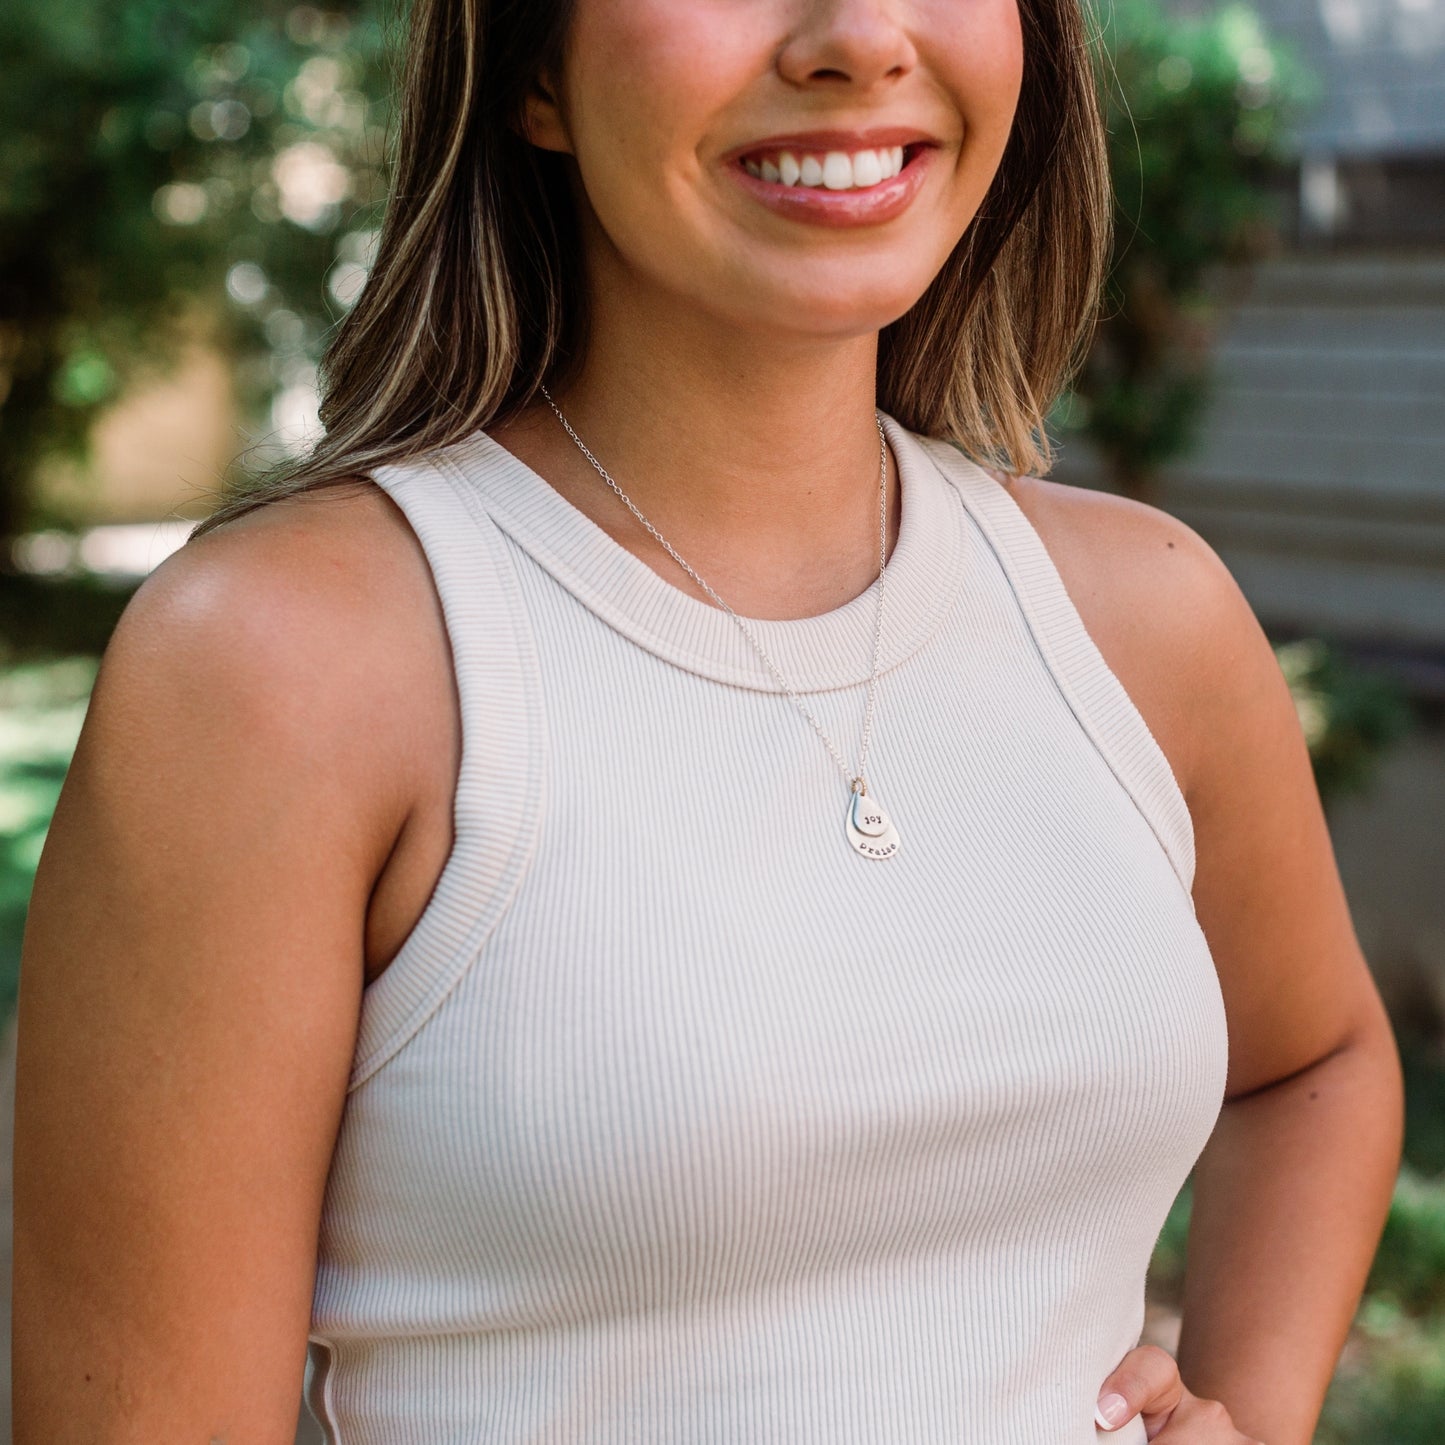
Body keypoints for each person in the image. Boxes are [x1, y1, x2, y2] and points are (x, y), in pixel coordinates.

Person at [13, 0, 1404, 1441]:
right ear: (532, 69)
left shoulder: (1148, 616)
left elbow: (1313, 1063)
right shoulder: (279, 671)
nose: (859, 38)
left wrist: (1253, 1410)